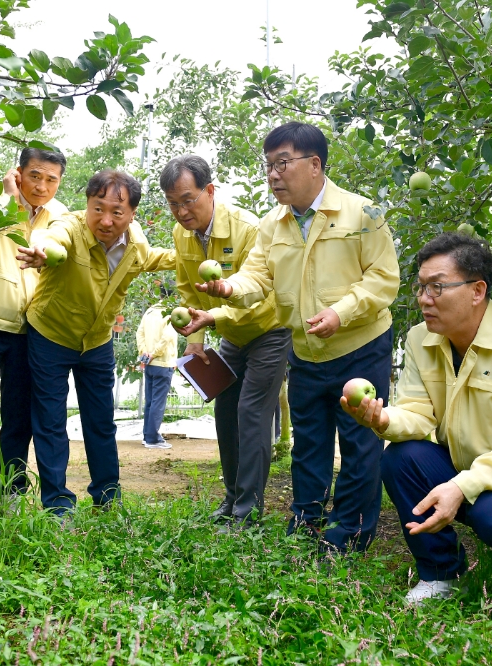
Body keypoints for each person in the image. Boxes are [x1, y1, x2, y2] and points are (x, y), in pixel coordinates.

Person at [194, 123, 400, 553]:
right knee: (310, 441)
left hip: (358, 347)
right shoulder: (274, 223)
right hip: (305, 349)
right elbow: (257, 274)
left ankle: (349, 533)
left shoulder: (364, 214)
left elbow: (384, 280)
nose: (272, 175)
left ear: (315, 164)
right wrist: (229, 289)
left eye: (281, 163)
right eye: (268, 166)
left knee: (360, 445)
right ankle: (306, 521)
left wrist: (340, 313)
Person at [342, 233, 492, 605]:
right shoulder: (421, 339)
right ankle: (441, 573)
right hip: (467, 469)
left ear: (477, 290)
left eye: (437, 287)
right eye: (421, 288)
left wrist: (461, 488)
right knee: (399, 459)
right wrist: (382, 419)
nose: (423, 299)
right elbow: (419, 413)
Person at [17, 169, 176, 515]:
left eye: (117, 212)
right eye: (97, 208)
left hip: (97, 342)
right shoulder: (70, 228)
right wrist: (41, 248)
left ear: (132, 214)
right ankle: (57, 504)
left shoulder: (136, 245)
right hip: (51, 335)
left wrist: (196, 257)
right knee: (50, 419)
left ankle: (107, 497)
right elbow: (50, 237)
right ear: (86, 205)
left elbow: (157, 259)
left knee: (101, 421)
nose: (105, 220)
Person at [164, 154, 291, 528]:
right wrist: (195, 338)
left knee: (252, 415)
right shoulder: (181, 235)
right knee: (225, 413)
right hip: (230, 334)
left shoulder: (248, 229)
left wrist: (214, 317)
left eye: (188, 199)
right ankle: (233, 497)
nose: (182, 211)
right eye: (173, 203)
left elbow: (265, 293)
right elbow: (188, 289)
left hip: (269, 331)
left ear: (209, 190)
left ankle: (248, 510)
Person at [0, 148, 69, 532]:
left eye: (51, 179)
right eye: (35, 176)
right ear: (18, 173)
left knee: (19, 416)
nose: (42, 186)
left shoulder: (60, 216)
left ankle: (10, 493)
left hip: (29, 328)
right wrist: (4, 200)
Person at [135, 303, 179, 449]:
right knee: (158, 403)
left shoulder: (149, 311)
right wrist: (155, 353)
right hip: (163, 362)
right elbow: (167, 337)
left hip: (149, 363)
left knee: (150, 401)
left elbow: (139, 333)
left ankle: (147, 436)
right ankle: (153, 439)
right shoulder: (170, 313)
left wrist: (144, 352)